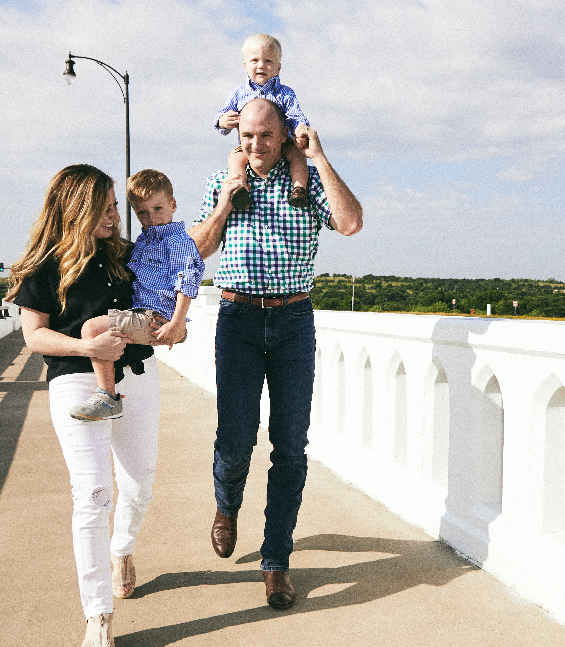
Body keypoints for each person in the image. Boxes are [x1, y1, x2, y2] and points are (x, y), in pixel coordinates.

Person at [189, 98, 363, 610]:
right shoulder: (222, 183)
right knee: (236, 438)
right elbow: (195, 250)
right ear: (237, 135)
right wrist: (224, 203)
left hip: (293, 322)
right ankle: (227, 504)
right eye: (246, 135)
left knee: (289, 446)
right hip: (237, 321)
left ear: (284, 135)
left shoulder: (302, 185)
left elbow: (350, 223)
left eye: (266, 135)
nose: (255, 145)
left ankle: (276, 563)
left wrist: (321, 159)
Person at [6, 164, 183, 647]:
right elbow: (33, 334)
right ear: (77, 208)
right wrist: (88, 348)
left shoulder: (129, 256)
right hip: (77, 384)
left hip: (138, 378)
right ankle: (98, 616)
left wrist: (166, 325)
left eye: (114, 206)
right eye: (105, 207)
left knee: (138, 486)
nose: (115, 215)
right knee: (91, 495)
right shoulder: (42, 266)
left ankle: (122, 547)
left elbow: (160, 298)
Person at [68, 169, 204, 422]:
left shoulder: (178, 242)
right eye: (142, 212)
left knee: (91, 329)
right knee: (100, 331)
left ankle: (107, 396)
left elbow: (188, 279)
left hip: (156, 316)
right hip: (142, 313)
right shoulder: (143, 241)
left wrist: (176, 323)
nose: (151, 218)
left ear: (173, 205)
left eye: (158, 208)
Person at [215, 33, 310, 210]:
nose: (261, 66)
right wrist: (223, 121)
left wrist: (300, 130)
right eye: (255, 60)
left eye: (268, 61)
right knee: (235, 160)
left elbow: (295, 115)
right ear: (245, 65)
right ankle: (240, 190)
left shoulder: (285, 93)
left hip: (283, 144)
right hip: (248, 147)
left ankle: (299, 189)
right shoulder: (237, 94)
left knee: (297, 156)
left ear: (278, 68)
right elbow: (221, 114)